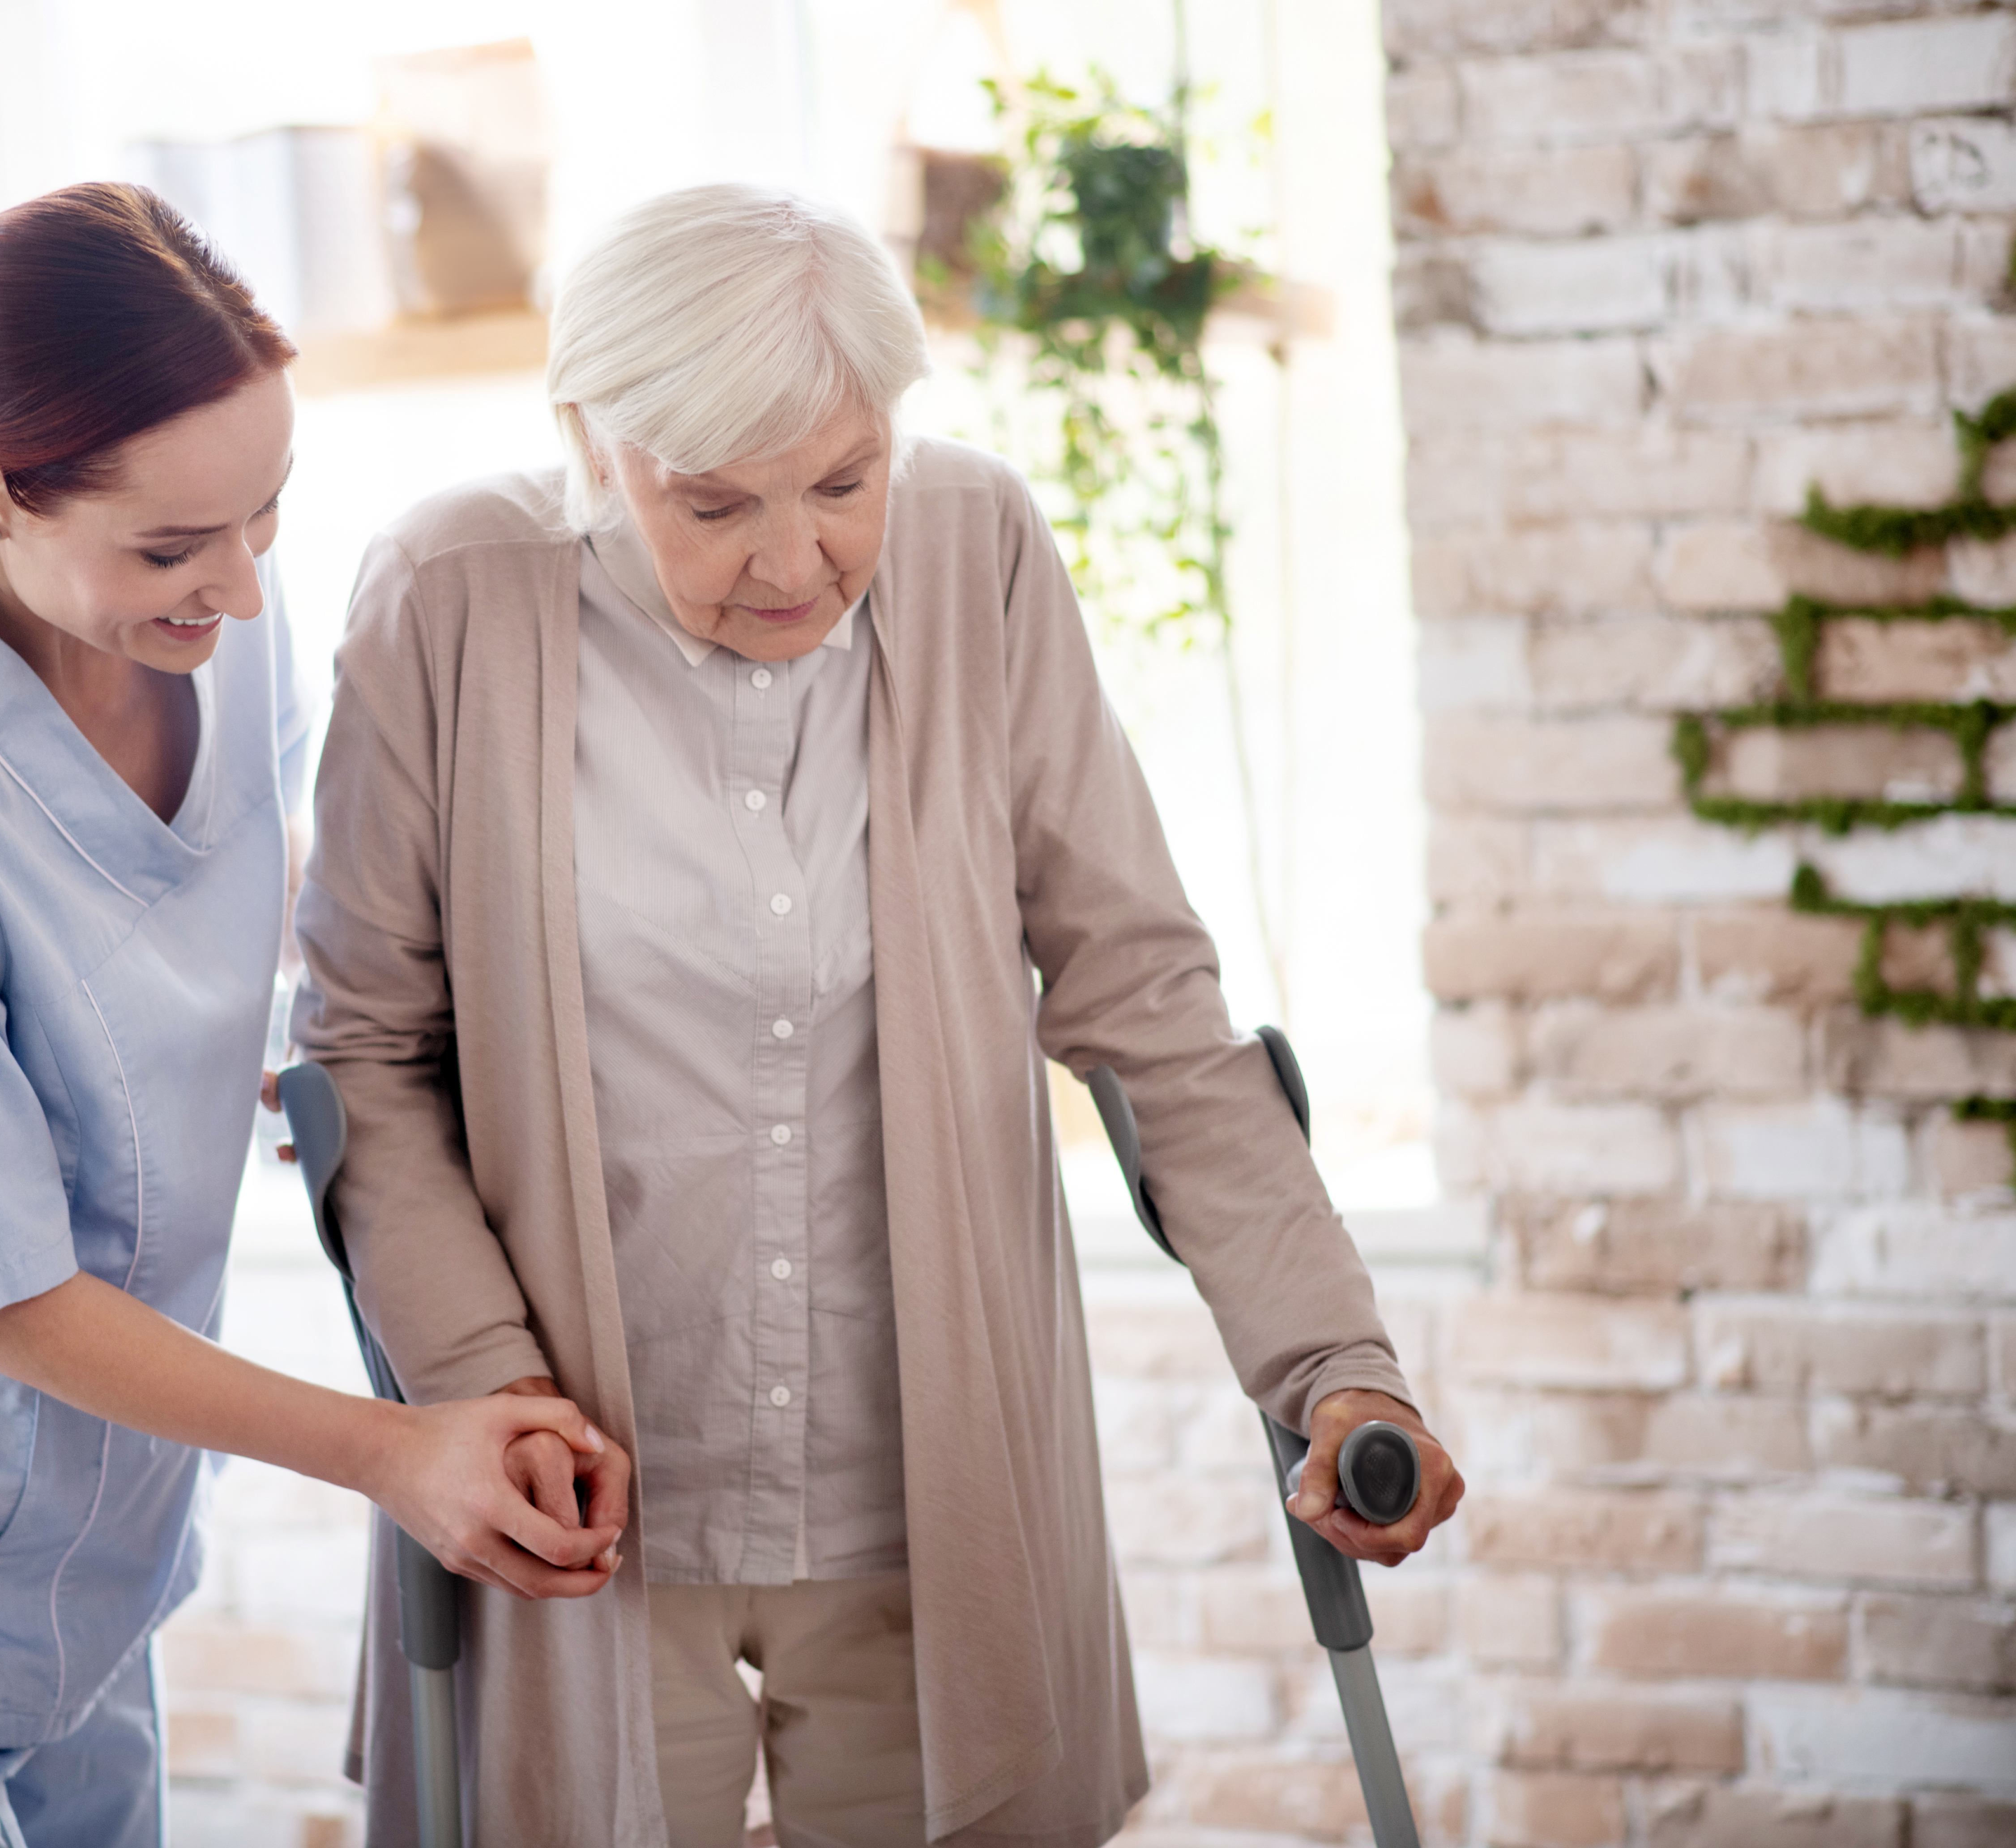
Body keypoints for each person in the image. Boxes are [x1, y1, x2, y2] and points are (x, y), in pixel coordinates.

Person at [290, 183, 1466, 1847]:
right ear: (589, 440)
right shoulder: (449, 593)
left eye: (844, 482)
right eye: (714, 506)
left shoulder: (977, 549)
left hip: (930, 1485)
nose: (797, 560)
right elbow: (364, 1061)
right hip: (581, 1494)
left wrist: (1336, 1364)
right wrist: (483, 1388)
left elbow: (1150, 1008)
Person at [0, 182, 624, 1848]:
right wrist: (397, 1454)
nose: (241, 590)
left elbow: (202, 902)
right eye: (175, 544)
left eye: (268, 518)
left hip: (90, 1548)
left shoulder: (211, 625)